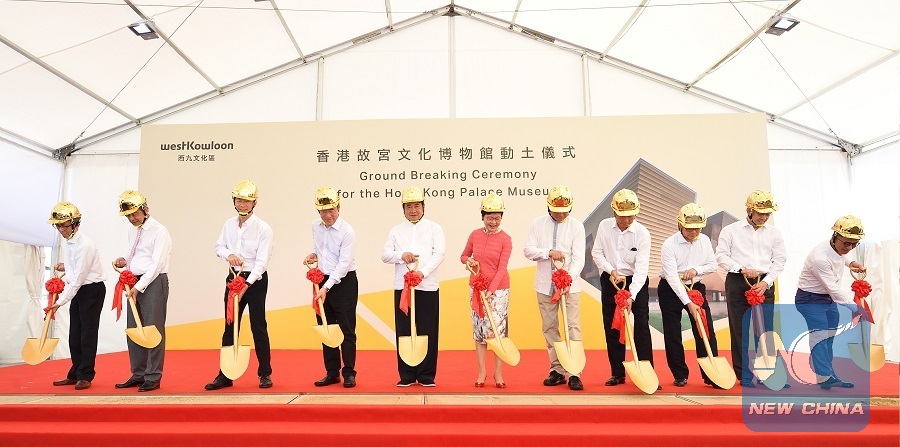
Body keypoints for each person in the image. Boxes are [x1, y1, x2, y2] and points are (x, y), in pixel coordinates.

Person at [205, 180, 275, 390]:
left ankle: (265, 373)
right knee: (230, 325)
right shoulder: (228, 224)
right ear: (233, 201)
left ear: (254, 203)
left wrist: (247, 284)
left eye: (247, 201)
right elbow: (219, 246)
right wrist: (229, 255)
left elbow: (262, 263)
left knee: (258, 325)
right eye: (239, 200)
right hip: (233, 279)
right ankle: (225, 375)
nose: (242, 204)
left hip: (255, 281)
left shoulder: (264, 229)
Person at [715, 190, 787, 387]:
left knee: (765, 331)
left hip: (764, 283)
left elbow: (780, 260)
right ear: (749, 210)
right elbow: (721, 256)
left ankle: (766, 373)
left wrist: (766, 281)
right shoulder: (730, 230)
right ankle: (744, 374)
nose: (764, 217)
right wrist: (741, 269)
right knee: (739, 329)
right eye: (760, 213)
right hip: (738, 281)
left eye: (767, 214)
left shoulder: (775, 233)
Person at [591, 188, 655, 388]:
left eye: (631, 216)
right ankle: (617, 373)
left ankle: (647, 372)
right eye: (622, 216)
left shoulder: (642, 233)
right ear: (614, 212)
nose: (627, 220)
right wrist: (611, 270)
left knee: (641, 326)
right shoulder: (604, 227)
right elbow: (597, 253)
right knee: (613, 326)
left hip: (636, 282)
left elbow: (642, 269)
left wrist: (631, 296)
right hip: (611, 279)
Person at [381, 187, 445, 387]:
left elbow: (439, 254)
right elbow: (385, 255)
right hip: (403, 288)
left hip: (427, 286)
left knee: (428, 330)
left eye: (417, 206)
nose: (413, 210)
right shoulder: (396, 231)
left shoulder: (434, 228)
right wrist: (402, 255)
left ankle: (426, 375)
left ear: (423, 207)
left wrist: (422, 272)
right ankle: (406, 375)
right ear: (403, 209)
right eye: (409, 207)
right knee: (404, 330)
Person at [524, 185, 586, 391]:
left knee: (573, 327)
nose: (561, 214)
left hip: (570, 288)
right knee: (550, 328)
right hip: (544, 286)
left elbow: (579, 258)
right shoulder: (537, 223)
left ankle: (575, 372)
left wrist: (568, 278)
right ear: (549, 207)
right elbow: (528, 250)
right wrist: (548, 252)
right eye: (556, 210)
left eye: (564, 211)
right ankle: (557, 370)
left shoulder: (577, 227)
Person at [795, 216, 866, 390]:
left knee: (829, 338)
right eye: (846, 243)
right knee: (820, 336)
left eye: (854, 244)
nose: (849, 248)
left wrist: (851, 263)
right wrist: (856, 308)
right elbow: (833, 289)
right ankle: (824, 377)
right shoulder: (820, 258)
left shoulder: (837, 248)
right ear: (834, 236)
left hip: (827, 298)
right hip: (810, 299)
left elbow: (841, 256)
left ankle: (828, 375)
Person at [113, 190, 172, 392]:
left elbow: (156, 264)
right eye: (128, 215)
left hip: (153, 282)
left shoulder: (159, 231)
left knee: (153, 329)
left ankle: (153, 376)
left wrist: (138, 287)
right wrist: (125, 262)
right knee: (134, 328)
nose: (132, 218)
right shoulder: (133, 231)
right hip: (134, 282)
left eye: (135, 214)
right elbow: (137, 256)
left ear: (145, 209)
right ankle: (138, 374)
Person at [658, 203, 721, 389]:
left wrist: (696, 270)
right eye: (689, 228)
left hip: (696, 288)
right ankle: (680, 374)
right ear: (680, 224)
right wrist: (688, 302)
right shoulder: (669, 245)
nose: (694, 232)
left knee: (705, 329)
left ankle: (711, 373)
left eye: (697, 229)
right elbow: (671, 277)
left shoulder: (705, 241)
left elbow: (712, 265)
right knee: (673, 333)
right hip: (671, 289)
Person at [47, 202, 107, 391]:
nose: (61, 230)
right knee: (75, 334)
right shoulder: (68, 241)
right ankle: (75, 372)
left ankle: (86, 375)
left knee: (87, 334)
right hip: (78, 289)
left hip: (91, 290)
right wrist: (66, 267)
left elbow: (79, 277)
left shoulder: (85, 245)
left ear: (75, 224)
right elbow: (76, 270)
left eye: (65, 225)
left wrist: (59, 302)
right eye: (58, 226)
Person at [305, 186, 359, 388]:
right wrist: (314, 254)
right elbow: (320, 247)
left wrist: (325, 288)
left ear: (338, 208)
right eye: (323, 211)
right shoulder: (315, 226)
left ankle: (349, 372)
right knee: (326, 326)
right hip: (322, 281)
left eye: (331, 210)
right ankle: (332, 372)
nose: (328, 215)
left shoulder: (347, 232)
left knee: (346, 329)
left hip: (343, 283)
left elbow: (343, 265)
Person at [460, 194, 512, 388]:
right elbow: (463, 256)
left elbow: (502, 269)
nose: (493, 222)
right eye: (489, 218)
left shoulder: (506, 239)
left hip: (499, 291)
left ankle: (498, 373)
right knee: (480, 331)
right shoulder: (475, 235)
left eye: (497, 218)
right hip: (477, 289)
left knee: (498, 332)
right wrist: (469, 261)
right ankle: (482, 371)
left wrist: (491, 290)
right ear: (483, 216)